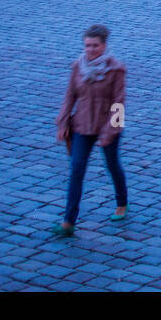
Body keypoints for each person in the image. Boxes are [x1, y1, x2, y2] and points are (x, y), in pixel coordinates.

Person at [53, 24, 128, 237]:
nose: (90, 50)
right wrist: (63, 122)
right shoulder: (78, 66)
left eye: (94, 46)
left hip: (107, 126)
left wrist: (110, 130)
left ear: (104, 45)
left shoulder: (116, 69)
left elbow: (119, 102)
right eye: (87, 45)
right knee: (76, 169)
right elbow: (70, 96)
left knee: (113, 165)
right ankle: (68, 221)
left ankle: (122, 202)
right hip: (82, 125)